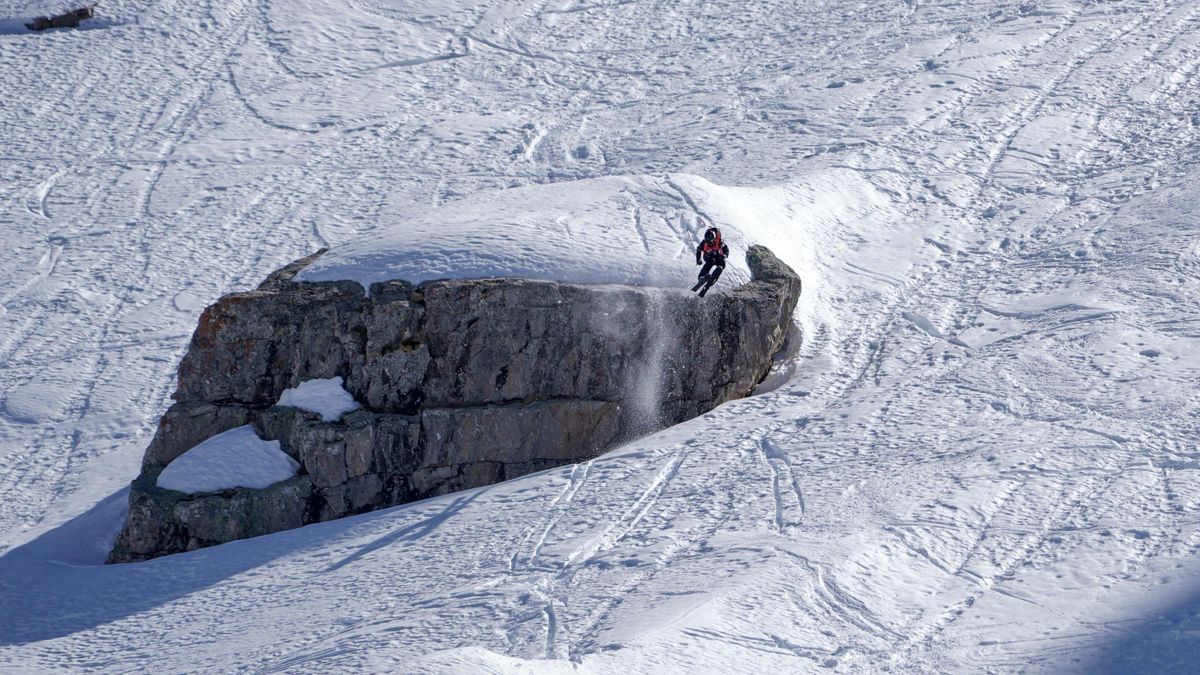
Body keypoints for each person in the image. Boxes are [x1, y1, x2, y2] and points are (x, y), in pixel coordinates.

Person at [692, 224, 729, 297]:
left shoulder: (720, 242)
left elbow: (726, 249)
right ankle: (701, 277)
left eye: (710, 242)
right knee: (711, 260)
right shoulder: (704, 243)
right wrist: (698, 260)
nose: (708, 243)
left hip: (718, 257)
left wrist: (724, 255)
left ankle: (709, 283)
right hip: (708, 256)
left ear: (714, 239)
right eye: (707, 241)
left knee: (722, 265)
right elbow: (699, 250)